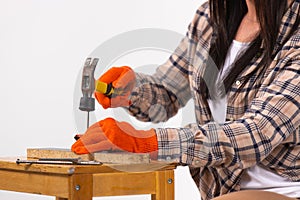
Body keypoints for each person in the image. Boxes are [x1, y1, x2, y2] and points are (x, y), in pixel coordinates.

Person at [71, 0, 300, 199]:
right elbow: (168, 92)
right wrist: (133, 91)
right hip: (222, 191)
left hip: (284, 190)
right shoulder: (210, 18)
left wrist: (146, 142)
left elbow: (255, 134)